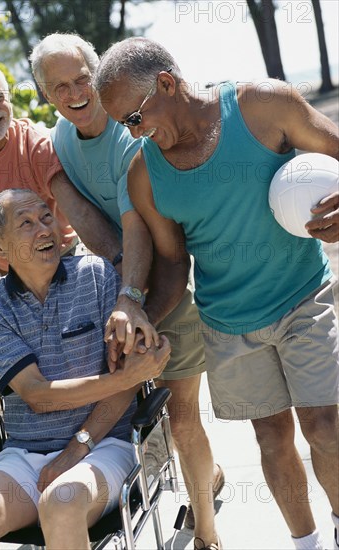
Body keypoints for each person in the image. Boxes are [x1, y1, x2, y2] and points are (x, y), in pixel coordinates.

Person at [94, 37, 339, 550]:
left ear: (166, 83)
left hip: (304, 297)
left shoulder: (263, 105)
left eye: (134, 118)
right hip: (228, 323)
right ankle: (307, 543)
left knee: (325, 428)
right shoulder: (144, 174)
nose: (133, 132)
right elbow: (173, 265)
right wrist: (141, 314)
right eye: (124, 125)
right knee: (272, 439)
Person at [29, 32, 224, 544]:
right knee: (156, 417)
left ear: (100, 77)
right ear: (45, 95)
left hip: (166, 283)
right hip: (121, 297)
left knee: (181, 418)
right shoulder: (61, 141)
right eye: (58, 87)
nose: (74, 93)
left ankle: (207, 532)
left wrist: (132, 301)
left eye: (81, 79)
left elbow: (138, 228)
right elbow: (90, 224)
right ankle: (210, 477)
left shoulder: (131, 133)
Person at [0, 188, 171, 550]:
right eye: (26, 224)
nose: (43, 230)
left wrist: (79, 446)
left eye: (46, 218)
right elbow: (38, 396)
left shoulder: (95, 276)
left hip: (106, 445)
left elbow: (131, 379)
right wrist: (124, 377)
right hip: (24, 456)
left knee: (61, 504)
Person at [0, 60, 77, 288]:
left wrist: (116, 263)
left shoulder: (34, 142)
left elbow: (78, 211)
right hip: (8, 276)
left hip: (64, 260)